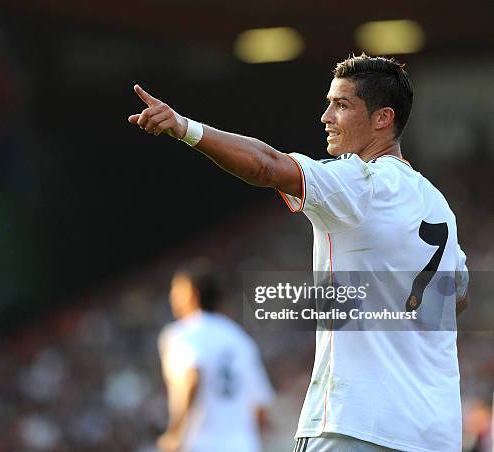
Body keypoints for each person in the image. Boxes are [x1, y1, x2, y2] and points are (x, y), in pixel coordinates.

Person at [129, 54, 470, 451]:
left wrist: (186, 129)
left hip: (355, 425)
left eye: (341, 105)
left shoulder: (359, 182)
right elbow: (458, 297)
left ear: (383, 118)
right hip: (433, 434)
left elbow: (267, 166)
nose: (326, 116)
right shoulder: (437, 203)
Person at [157, 259, 274, 452]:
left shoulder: (181, 334)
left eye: (176, 289)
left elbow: (192, 377)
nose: (172, 296)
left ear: (191, 293)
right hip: (244, 446)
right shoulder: (240, 338)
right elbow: (259, 407)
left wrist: (175, 432)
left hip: (201, 444)